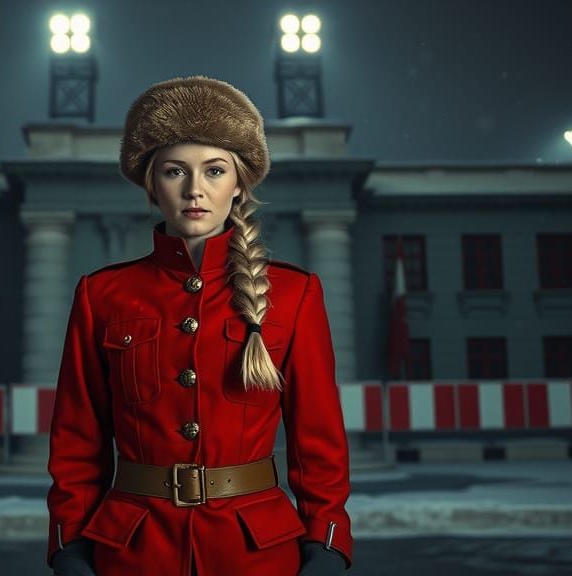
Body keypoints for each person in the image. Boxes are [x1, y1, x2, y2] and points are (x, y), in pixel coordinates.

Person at [46, 76, 352, 576]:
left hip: (256, 552)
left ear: (239, 183)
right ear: (152, 183)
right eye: (174, 171)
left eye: (214, 170)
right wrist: (69, 544)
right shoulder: (101, 295)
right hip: (133, 552)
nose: (194, 190)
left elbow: (318, 441)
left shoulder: (295, 295)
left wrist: (328, 543)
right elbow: (77, 440)